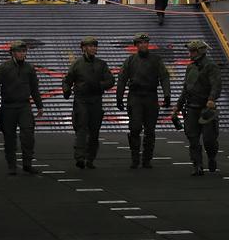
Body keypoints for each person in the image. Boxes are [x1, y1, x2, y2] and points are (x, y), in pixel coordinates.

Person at [0, 40, 43, 174]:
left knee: (28, 135)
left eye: (24, 51)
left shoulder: (29, 68)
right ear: (12, 53)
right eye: (19, 51)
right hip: (8, 106)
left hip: (24, 105)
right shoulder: (4, 67)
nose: (22, 54)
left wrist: (39, 106)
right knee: (9, 137)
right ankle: (12, 165)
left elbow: (34, 88)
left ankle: (27, 164)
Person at [117, 32, 171, 169]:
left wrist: (167, 95)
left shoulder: (156, 60)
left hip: (151, 97)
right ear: (136, 45)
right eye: (140, 43)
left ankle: (147, 159)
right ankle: (135, 158)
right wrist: (119, 97)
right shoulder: (130, 60)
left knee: (150, 130)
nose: (143, 45)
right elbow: (122, 79)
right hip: (135, 97)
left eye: (145, 42)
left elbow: (164, 77)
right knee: (135, 128)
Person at [61, 36, 114, 170]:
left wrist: (99, 85)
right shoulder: (77, 64)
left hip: (96, 100)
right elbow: (67, 80)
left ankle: (90, 159)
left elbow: (111, 81)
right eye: (90, 46)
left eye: (95, 46)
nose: (93, 48)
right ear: (84, 48)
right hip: (81, 100)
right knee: (81, 129)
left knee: (94, 132)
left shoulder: (101, 64)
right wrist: (66, 90)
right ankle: (80, 157)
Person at [176, 39, 221, 176]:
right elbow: (186, 89)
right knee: (193, 139)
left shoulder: (211, 66)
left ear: (200, 51)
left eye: (192, 51)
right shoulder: (190, 68)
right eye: (190, 51)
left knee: (209, 139)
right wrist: (177, 107)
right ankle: (197, 165)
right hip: (191, 107)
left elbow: (216, 85)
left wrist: (211, 99)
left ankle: (212, 157)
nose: (190, 54)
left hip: (206, 109)